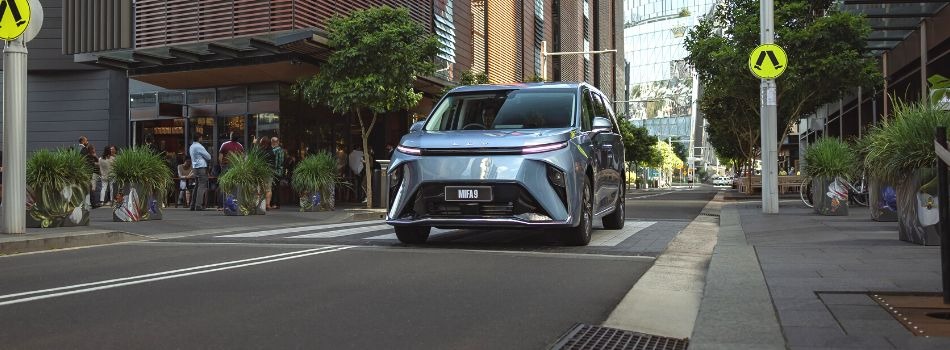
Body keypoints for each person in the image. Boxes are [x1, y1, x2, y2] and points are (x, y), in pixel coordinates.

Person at [189, 134, 212, 211]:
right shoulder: (199, 146)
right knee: (202, 186)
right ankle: (198, 205)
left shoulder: (191, 146)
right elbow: (208, 156)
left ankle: (192, 204)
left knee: (197, 185)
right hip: (201, 167)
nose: (202, 139)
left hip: (194, 167)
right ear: (199, 138)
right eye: (201, 137)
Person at [271, 137, 285, 209]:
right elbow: (282, 162)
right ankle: (278, 203)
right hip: (280, 171)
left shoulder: (274, 150)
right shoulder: (281, 150)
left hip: (274, 171)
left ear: (273, 142)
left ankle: (274, 203)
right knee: (277, 187)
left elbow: (275, 163)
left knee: (273, 188)